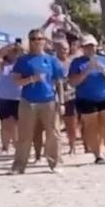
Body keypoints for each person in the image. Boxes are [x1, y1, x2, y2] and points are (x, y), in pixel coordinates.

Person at [11, 28, 66, 174]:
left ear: (45, 41)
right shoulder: (23, 60)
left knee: (53, 134)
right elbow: (16, 80)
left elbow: (59, 82)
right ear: (29, 41)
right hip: (28, 101)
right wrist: (30, 79)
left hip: (48, 100)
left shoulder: (52, 60)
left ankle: (55, 163)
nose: (37, 42)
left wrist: (62, 102)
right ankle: (19, 166)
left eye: (39, 38)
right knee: (24, 135)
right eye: (33, 39)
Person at [67, 33, 105, 165]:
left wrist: (103, 70)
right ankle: (97, 155)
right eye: (86, 46)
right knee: (92, 127)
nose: (89, 49)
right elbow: (73, 82)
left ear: (96, 47)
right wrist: (86, 71)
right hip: (86, 98)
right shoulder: (77, 62)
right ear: (82, 48)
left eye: (92, 46)